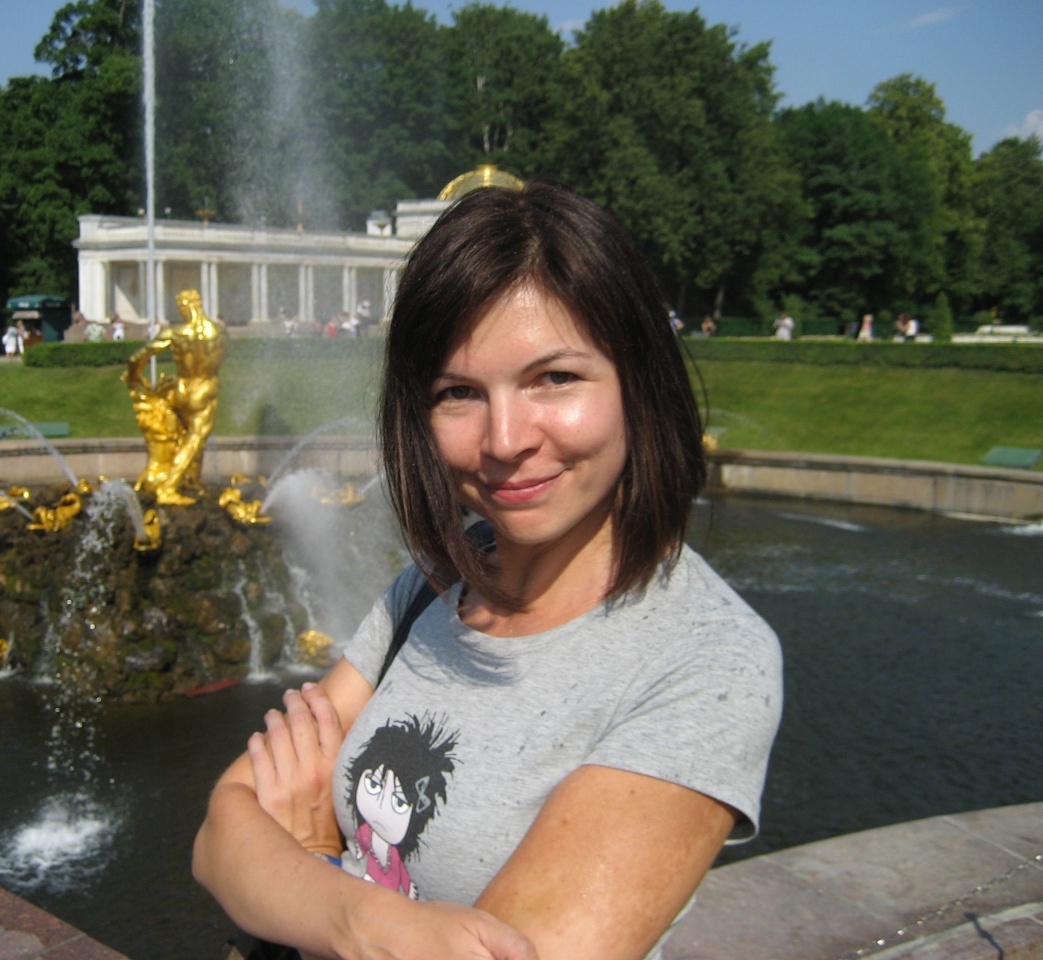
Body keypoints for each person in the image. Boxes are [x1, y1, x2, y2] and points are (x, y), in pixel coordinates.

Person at [192, 182, 782, 960]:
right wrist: (360, 920)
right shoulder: (431, 588)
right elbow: (220, 833)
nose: (504, 440)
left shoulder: (707, 660)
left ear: (638, 381)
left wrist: (307, 858)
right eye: (460, 393)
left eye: (554, 379)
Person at [122, 288, 227, 505]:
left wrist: (133, 376)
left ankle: (191, 480)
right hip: (205, 388)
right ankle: (169, 487)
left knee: (187, 436)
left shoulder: (176, 333)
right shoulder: (219, 332)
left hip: (181, 389)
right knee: (196, 438)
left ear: (183, 307)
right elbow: (219, 360)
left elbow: (138, 357)